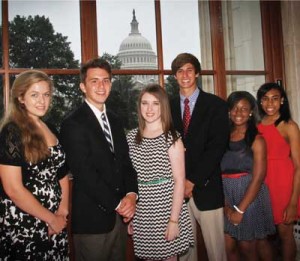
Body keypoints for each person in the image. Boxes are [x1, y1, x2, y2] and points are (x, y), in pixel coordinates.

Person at [60, 58, 138, 261]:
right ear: (82, 87)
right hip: (92, 222)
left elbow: (125, 163)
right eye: (94, 81)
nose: (101, 86)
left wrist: (131, 195)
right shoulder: (72, 123)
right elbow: (84, 173)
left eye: (105, 80)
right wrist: (119, 204)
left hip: (119, 220)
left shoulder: (115, 119)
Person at [0, 70, 69, 260]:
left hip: (56, 222)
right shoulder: (11, 133)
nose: (42, 101)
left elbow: (61, 174)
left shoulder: (51, 128)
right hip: (25, 223)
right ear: (21, 97)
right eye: (34, 95)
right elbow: (13, 189)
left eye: (46, 95)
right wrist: (50, 218)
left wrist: (62, 213)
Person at [170, 53, 229, 261]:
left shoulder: (217, 106)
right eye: (179, 71)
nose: (184, 74)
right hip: (176, 193)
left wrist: (192, 180)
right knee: (185, 253)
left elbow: (217, 147)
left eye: (189, 69)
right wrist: (181, 183)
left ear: (197, 73)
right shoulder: (166, 108)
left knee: (216, 252)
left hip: (207, 187)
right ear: (175, 76)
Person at [127, 84, 194, 261]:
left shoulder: (172, 137)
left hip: (166, 209)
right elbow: (129, 178)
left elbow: (180, 181)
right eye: (144, 103)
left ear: (163, 106)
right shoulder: (131, 137)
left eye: (155, 103)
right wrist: (133, 215)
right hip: (142, 211)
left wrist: (174, 221)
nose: (149, 109)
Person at [221, 91, 275, 260]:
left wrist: (239, 209)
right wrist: (226, 205)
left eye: (244, 109)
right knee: (228, 246)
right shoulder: (221, 137)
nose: (239, 113)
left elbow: (259, 177)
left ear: (251, 112)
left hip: (249, 196)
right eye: (235, 108)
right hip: (226, 194)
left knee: (248, 246)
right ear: (229, 111)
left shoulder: (257, 139)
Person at [257, 82, 300, 260]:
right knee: (261, 236)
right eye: (265, 99)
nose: (270, 103)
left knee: (285, 234)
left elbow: (299, 166)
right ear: (260, 102)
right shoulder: (256, 125)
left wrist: (292, 202)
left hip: (283, 184)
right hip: (261, 184)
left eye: (275, 99)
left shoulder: (289, 125)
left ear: (282, 101)